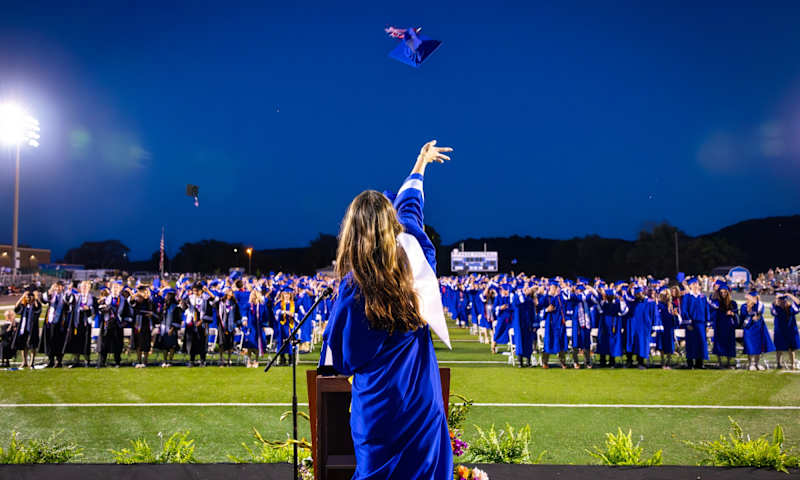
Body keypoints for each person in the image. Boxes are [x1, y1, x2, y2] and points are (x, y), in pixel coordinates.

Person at [321, 139, 453, 479]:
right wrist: (419, 165)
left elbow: (344, 359)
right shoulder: (418, 255)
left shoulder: (354, 288)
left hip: (379, 406)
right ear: (391, 223)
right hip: (422, 398)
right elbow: (412, 207)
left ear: (353, 232)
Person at [39, 281, 73, 368]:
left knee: (59, 341)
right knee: (49, 341)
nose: (58, 288)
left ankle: (59, 361)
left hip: (61, 322)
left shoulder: (65, 295)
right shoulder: (52, 295)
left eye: (60, 287)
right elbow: (43, 300)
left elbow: (69, 303)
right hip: (50, 322)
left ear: (62, 287)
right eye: (56, 287)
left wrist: (69, 291)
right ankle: (51, 360)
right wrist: (50, 290)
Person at [740, 290, 775, 371]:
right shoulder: (744, 306)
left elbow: (759, 313)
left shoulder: (759, 305)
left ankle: (757, 363)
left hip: (759, 327)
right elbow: (743, 315)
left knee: (759, 346)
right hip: (749, 328)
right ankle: (750, 364)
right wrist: (749, 309)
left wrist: (753, 301)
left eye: (755, 297)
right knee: (750, 346)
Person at [62, 281, 95, 367]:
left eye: (86, 286)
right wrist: (69, 291)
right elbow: (67, 301)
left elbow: (94, 310)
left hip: (86, 321)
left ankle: (87, 360)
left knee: (86, 340)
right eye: (82, 286)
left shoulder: (91, 297)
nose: (84, 288)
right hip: (77, 320)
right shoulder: (76, 296)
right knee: (76, 339)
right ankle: (76, 360)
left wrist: (88, 309)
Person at [183, 282, 216, 367]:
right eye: (194, 291)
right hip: (192, 323)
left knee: (202, 341)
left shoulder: (206, 298)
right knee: (192, 342)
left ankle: (202, 360)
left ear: (201, 291)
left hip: (203, 323)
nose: (195, 292)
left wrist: (208, 291)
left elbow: (215, 300)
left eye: (197, 291)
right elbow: (183, 305)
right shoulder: (190, 298)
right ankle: (191, 360)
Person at [97, 281, 129, 368]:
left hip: (118, 324)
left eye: (117, 288)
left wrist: (124, 323)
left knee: (117, 344)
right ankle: (102, 362)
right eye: (114, 288)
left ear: (120, 289)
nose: (115, 290)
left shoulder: (123, 300)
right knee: (104, 344)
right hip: (107, 324)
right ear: (111, 289)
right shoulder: (105, 299)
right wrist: (105, 309)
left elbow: (127, 313)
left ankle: (117, 362)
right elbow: (100, 310)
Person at [681, 277, 709, 369]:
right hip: (691, 323)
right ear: (690, 286)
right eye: (693, 284)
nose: (695, 286)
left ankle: (699, 363)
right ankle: (690, 363)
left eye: (696, 284)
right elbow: (684, 311)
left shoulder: (703, 297)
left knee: (701, 342)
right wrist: (688, 323)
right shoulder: (687, 297)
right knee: (691, 343)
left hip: (701, 324)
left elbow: (706, 310)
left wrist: (708, 324)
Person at [540, 280, 569, 369]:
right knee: (548, 341)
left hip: (559, 323)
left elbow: (566, 306)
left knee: (560, 341)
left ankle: (563, 362)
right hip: (550, 323)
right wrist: (546, 310)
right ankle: (545, 362)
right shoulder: (546, 298)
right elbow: (538, 308)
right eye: (551, 287)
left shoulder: (560, 298)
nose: (552, 289)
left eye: (554, 287)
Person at [11, 286, 42, 368]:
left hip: (32, 328)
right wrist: (22, 297)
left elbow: (38, 308)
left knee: (32, 345)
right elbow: (16, 308)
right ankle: (24, 361)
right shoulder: (24, 306)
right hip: (23, 327)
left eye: (29, 296)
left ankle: (31, 362)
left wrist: (35, 298)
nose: (28, 298)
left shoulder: (35, 305)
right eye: (27, 297)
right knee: (23, 345)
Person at [596, 288, 627, 368]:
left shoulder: (616, 304)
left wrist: (621, 300)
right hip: (605, 325)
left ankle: (611, 361)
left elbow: (624, 310)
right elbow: (624, 311)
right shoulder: (604, 303)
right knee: (604, 342)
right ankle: (603, 361)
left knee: (612, 342)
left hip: (613, 325)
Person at [709, 284, 738, 369]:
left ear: (728, 293)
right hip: (719, 325)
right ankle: (720, 362)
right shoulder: (717, 302)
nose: (723, 294)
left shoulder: (733, 303)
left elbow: (736, 314)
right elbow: (711, 307)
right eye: (721, 292)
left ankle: (729, 363)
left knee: (729, 344)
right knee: (719, 343)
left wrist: (732, 314)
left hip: (729, 326)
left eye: (725, 292)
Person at [153, 288, 182, 367]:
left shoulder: (175, 307)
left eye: (167, 296)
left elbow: (177, 319)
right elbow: (160, 317)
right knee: (164, 346)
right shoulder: (164, 306)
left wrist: (172, 329)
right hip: (163, 329)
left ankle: (170, 361)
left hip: (171, 329)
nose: (165, 297)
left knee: (171, 346)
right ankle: (165, 360)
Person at [129, 285, 156, 368]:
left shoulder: (149, 300)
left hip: (146, 323)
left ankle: (145, 361)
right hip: (137, 323)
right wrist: (134, 295)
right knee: (138, 342)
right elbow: (131, 303)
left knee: (146, 342)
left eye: (143, 291)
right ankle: (139, 360)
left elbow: (152, 310)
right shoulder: (136, 300)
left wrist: (150, 314)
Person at [771, 293, 800, 370]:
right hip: (780, 331)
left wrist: (790, 295)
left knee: (791, 349)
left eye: (784, 301)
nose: (782, 302)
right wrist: (776, 299)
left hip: (790, 332)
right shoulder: (776, 308)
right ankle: (778, 364)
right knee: (779, 349)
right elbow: (773, 310)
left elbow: (798, 302)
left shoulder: (790, 308)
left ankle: (792, 364)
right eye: (781, 301)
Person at [273, 286, 297, 366]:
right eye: (285, 294)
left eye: (288, 294)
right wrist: (284, 312)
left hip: (290, 325)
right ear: (282, 294)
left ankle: (291, 360)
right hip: (282, 326)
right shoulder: (279, 303)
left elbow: (298, 314)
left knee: (290, 342)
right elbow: (276, 312)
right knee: (281, 342)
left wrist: (293, 314)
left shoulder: (293, 303)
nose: (287, 295)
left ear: (290, 295)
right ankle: (282, 359)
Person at [217, 288, 241, 366]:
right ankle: (221, 359)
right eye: (230, 292)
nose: (231, 293)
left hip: (231, 325)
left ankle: (229, 360)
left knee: (230, 343)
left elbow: (237, 314)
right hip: (222, 325)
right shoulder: (221, 302)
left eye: (231, 292)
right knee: (221, 343)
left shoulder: (234, 303)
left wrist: (238, 324)